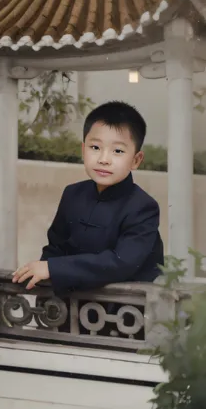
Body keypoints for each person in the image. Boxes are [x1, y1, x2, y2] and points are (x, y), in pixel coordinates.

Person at [13, 101, 164, 295]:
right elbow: (55, 248)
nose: (104, 159)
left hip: (124, 313)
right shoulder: (72, 194)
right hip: (72, 308)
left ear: (136, 160)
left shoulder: (143, 207)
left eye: (117, 151)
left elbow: (121, 262)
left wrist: (53, 268)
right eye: (95, 147)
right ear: (83, 150)